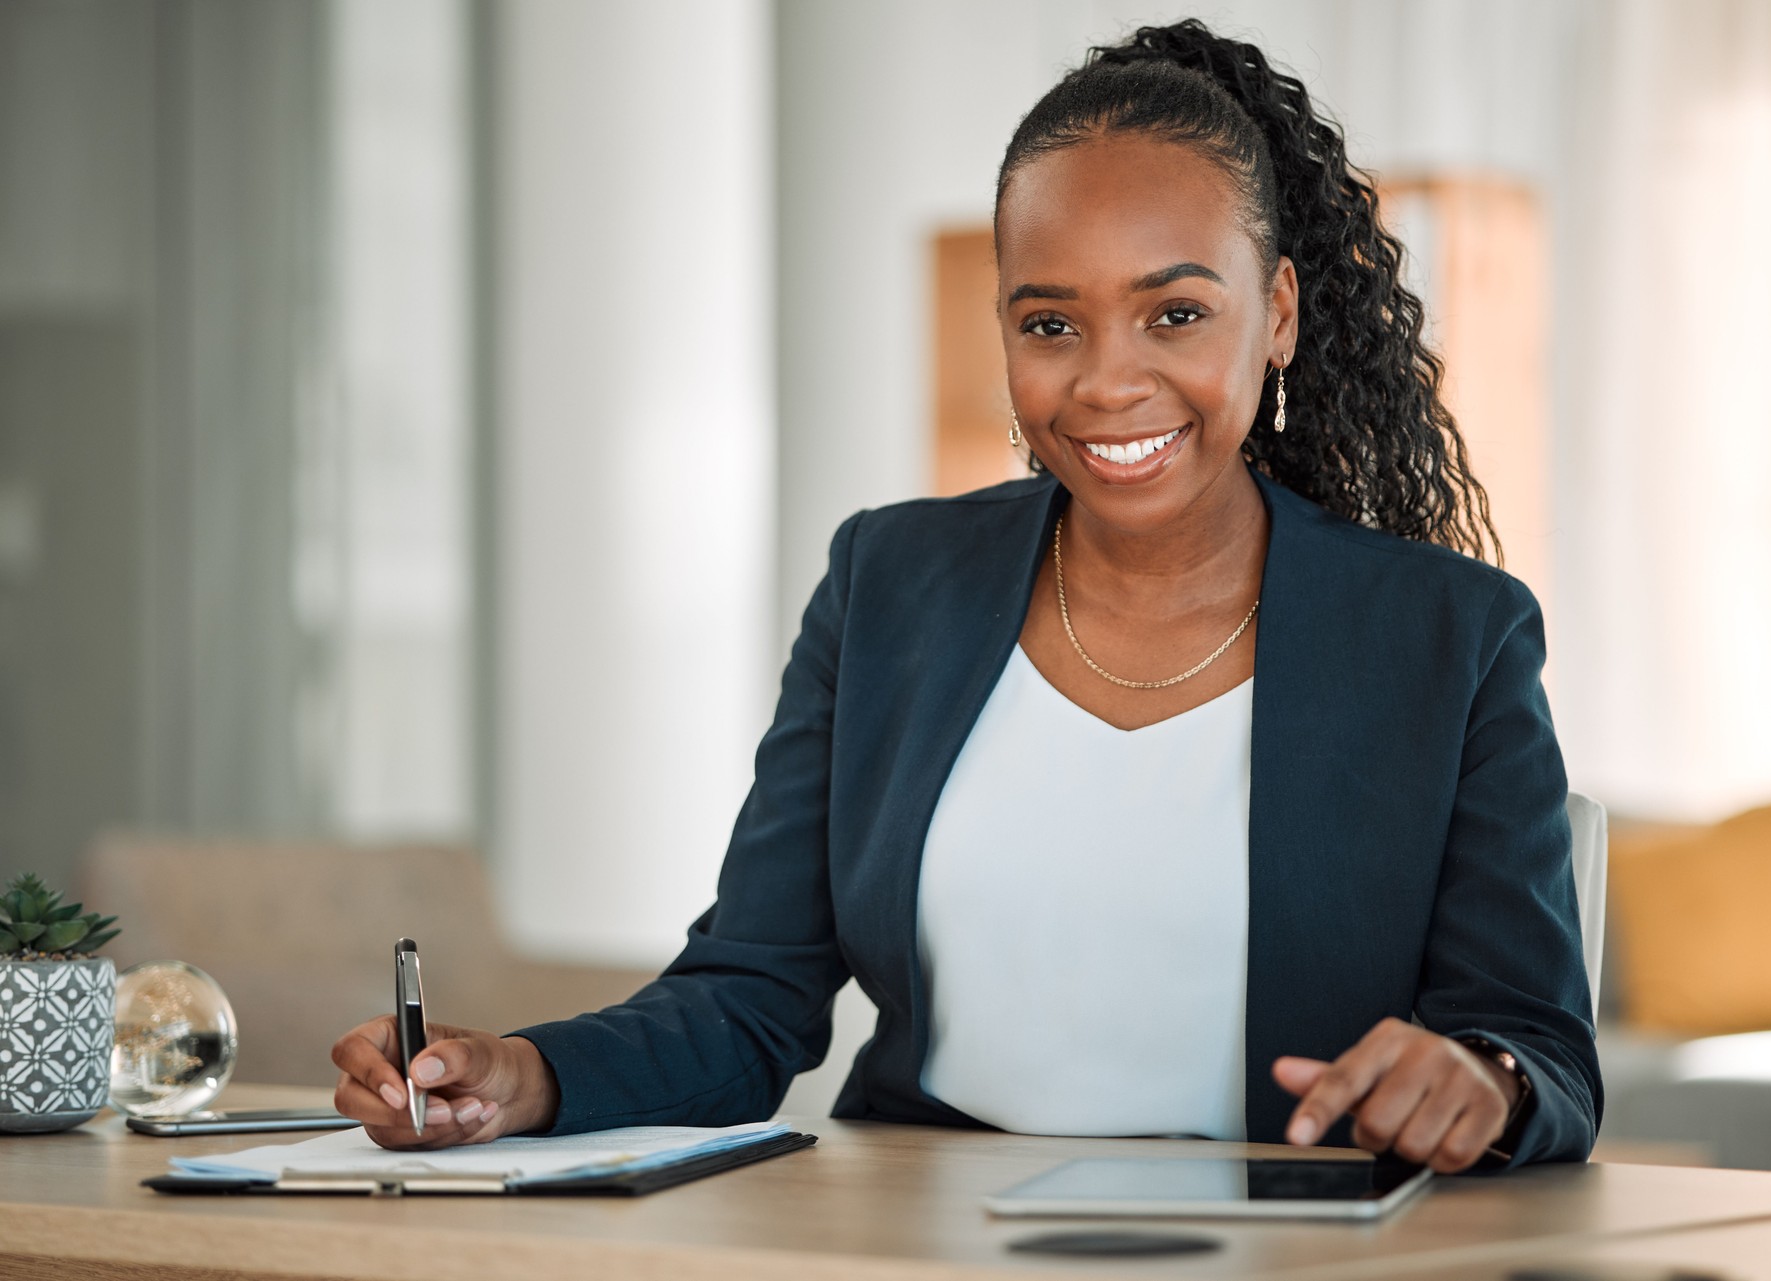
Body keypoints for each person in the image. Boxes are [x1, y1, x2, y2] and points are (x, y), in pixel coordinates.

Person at [331, 19, 1600, 1174]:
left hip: (1288, 1253)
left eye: (1174, 313)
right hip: (916, 1239)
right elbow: (748, 998)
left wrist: (1479, 1079)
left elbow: (1539, 1050)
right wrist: (532, 1077)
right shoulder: (890, 585)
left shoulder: (1452, 636)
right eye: (1052, 325)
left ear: (1275, 315)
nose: (1109, 383)